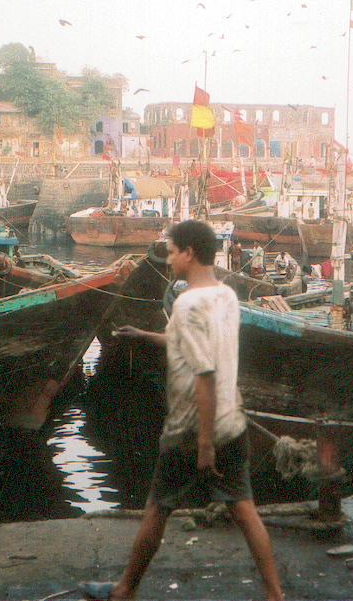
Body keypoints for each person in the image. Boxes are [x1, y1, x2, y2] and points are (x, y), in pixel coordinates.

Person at [83, 220, 283, 601]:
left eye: (173, 251)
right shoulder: (225, 296)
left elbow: (203, 374)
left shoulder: (188, 302)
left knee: (157, 509)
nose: (170, 258)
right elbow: (189, 343)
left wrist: (204, 444)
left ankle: (125, 590)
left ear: (189, 253)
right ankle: (275, 596)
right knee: (244, 510)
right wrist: (143, 336)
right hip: (232, 421)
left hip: (192, 431)